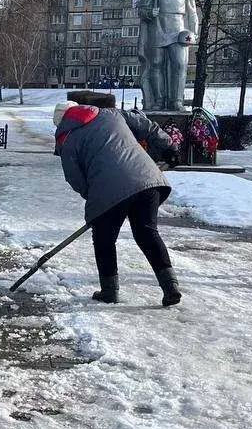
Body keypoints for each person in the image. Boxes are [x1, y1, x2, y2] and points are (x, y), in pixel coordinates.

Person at [53, 99, 182, 307]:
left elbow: (75, 178)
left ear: (60, 122)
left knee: (104, 239)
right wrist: (169, 148)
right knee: (147, 233)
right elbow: (146, 125)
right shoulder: (111, 113)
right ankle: (171, 287)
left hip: (106, 191)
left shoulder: (66, 139)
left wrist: (96, 198)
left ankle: (109, 291)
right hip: (147, 179)